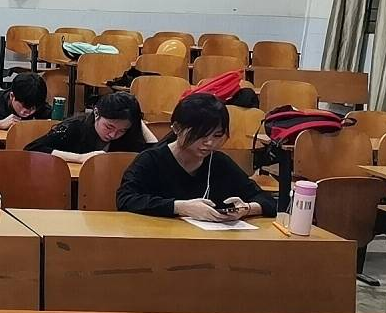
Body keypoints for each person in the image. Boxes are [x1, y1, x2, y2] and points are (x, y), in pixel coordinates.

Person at [117, 93, 275, 220]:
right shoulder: (151, 160)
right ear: (177, 128)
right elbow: (126, 199)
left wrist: (247, 209)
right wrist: (180, 207)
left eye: (217, 135)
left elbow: (266, 200)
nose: (210, 143)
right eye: (201, 135)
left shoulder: (219, 162)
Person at [25, 91, 156, 164]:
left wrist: (138, 122)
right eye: (109, 127)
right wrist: (80, 158)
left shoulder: (127, 135)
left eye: (122, 130)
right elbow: (33, 149)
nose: (113, 135)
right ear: (96, 113)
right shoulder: (75, 127)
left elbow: (154, 157)